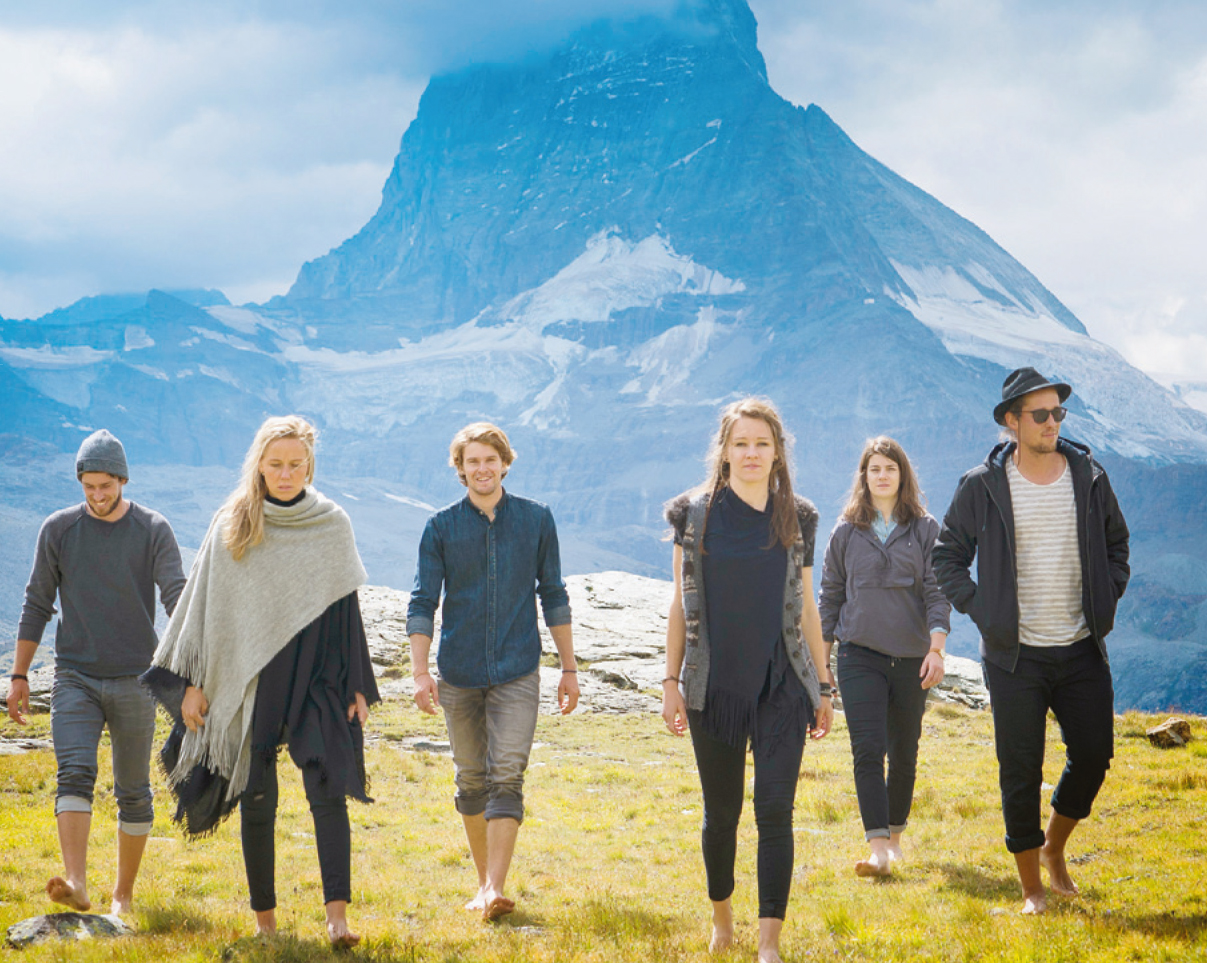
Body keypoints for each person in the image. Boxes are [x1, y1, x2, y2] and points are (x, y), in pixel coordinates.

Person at [141, 415, 378, 946]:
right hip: (252, 678)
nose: (286, 473)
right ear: (260, 465)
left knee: (327, 785)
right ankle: (264, 922)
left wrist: (358, 684)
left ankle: (337, 917)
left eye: (296, 464)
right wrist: (191, 686)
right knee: (256, 794)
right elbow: (201, 614)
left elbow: (346, 608)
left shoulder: (331, 523)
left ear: (309, 464)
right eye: (276, 464)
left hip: (317, 673)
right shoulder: (234, 522)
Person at [933, 367, 1130, 915]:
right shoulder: (982, 486)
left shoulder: (1088, 475)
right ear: (1012, 423)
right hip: (1014, 656)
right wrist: (983, 611)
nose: (1052, 423)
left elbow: (1118, 542)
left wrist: (1107, 597)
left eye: (1058, 413)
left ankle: (1054, 847)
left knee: (1093, 755)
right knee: (1019, 768)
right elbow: (946, 556)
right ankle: (1031, 888)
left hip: (1081, 647)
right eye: (1040, 415)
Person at [661, 397, 833, 963]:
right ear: (725, 450)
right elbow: (679, 605)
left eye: (763, 443)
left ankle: (768, 943)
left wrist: (824, 686)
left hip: (782, 685)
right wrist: (670, 682)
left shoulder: (798, 515)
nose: (752, 453)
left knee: (775, 812)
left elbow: (806, 605)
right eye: (742, 443)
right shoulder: (693, 513)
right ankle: (722, 920)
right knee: (723, 814)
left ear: (778, 452)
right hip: (715, 687)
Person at [6, 429, 185, 916]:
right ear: (80, 483)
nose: (98, 496)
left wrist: (192, 671)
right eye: (89, 487)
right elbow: (37, 602)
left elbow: (177, 599)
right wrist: (19, 677)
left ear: (122, 480)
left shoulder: (152, 529)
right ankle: (77, 882)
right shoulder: (58, 530)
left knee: (132, 789)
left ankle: (122, 897)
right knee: (75, 771)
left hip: (136, 678)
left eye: (106, 486)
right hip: (75, 677)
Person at [407, 422, 578, 922]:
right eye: (472, 461)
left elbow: (555, 594)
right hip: (458, 673)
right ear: (460, 469)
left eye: (490, 459)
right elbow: (422, 603)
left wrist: (569, 668)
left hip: (517, 670)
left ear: (505, 462)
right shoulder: (440, 527)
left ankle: (494, 887)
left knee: (507, 774)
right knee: (471, 779)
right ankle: (484, 884)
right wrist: (420, 674)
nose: (482, 469)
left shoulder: (536, 520)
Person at [817, 436, 950, 878]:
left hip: (912, 658)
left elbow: (936, 591)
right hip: (859, 656)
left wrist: (936, 649)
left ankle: (895, 839)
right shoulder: (844, 532)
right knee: (867, 750)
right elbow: (830, 599)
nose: (882, 475)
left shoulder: (926, 529)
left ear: (902, 474)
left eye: (890, 468)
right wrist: (824, 666)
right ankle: (877, 849)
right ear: (864, 476)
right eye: (874, 469)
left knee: (904, 752)